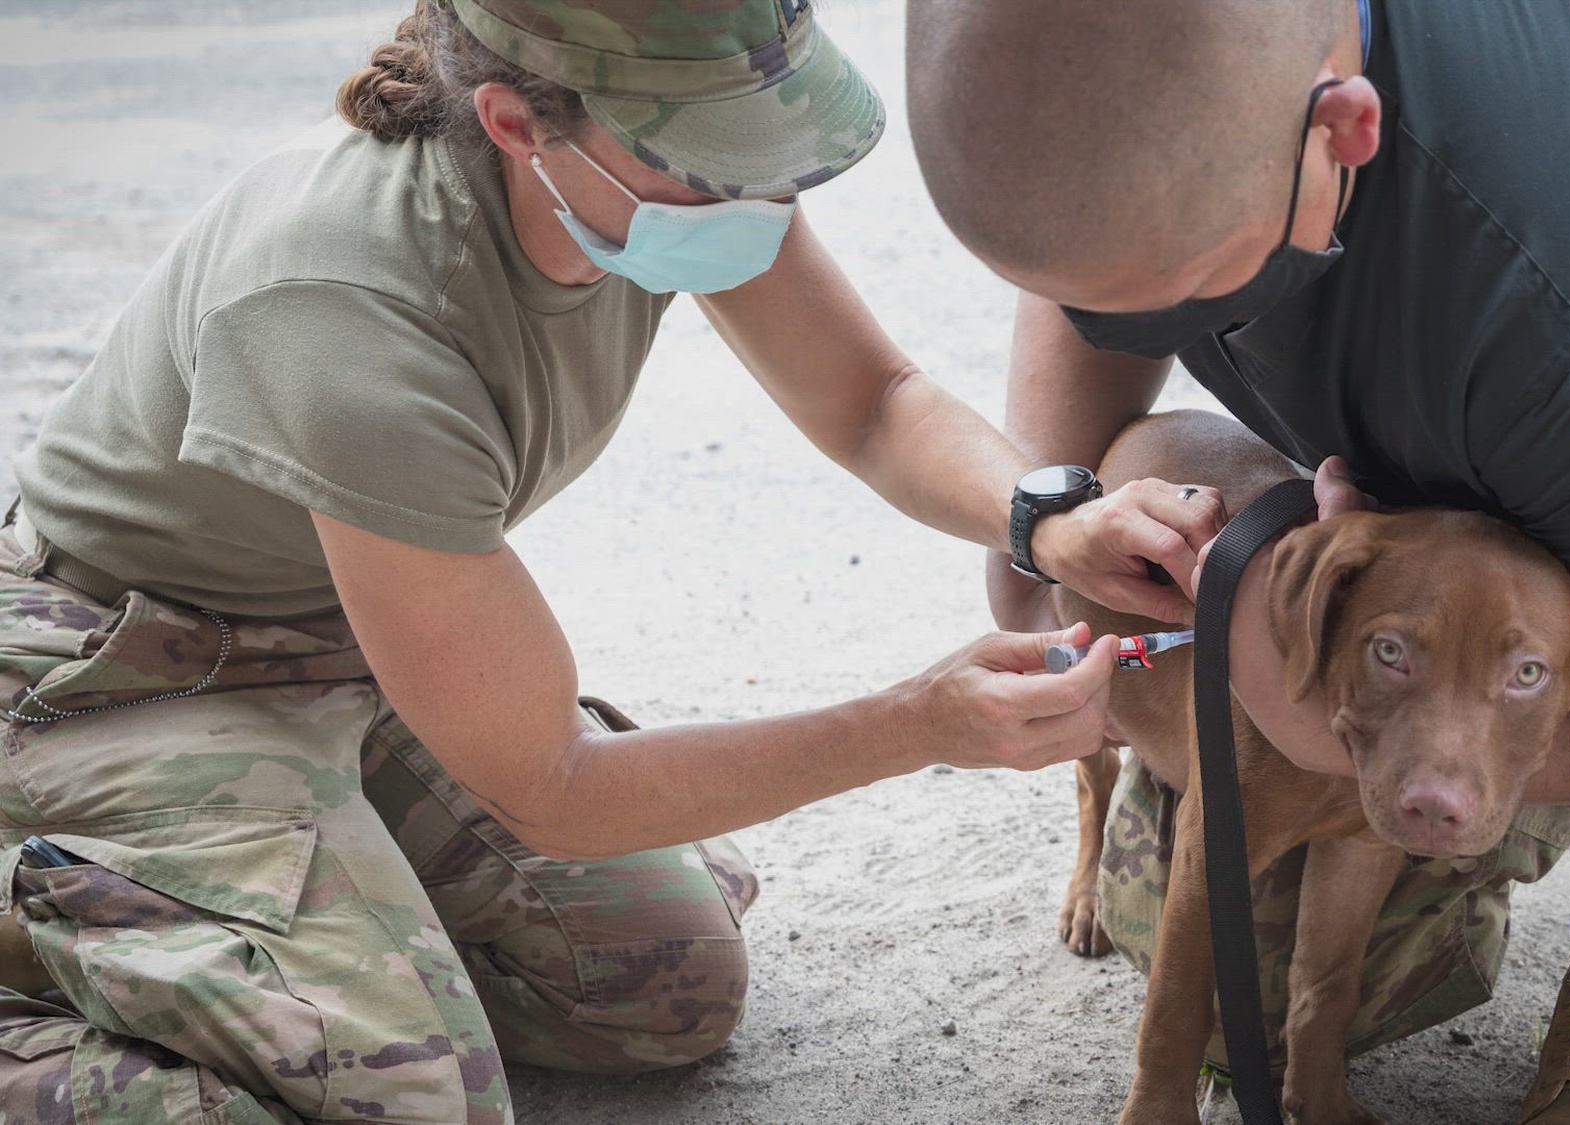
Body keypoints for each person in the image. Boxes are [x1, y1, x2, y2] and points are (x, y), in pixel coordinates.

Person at [0, 1, 1228, 1121]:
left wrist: (1048, 516)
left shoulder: (652, 190)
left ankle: (270, 912)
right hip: (126, 674)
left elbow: (872, 400)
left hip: (352, 640)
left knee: (657, 991)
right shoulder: (342, 312)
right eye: (713, 157)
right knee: (410, 1098)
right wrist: (916, 722)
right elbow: (555, 785)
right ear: (513, 122)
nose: (757, 190)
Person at [905, 0, 1570, 1120]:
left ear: (1343, 128)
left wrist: (1302, 708)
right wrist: (1042, 511)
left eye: (1211, 277)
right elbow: (1084, 235)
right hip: (1550, 404)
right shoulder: (1159, 98)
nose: (1165, 325)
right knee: (1290, 942)